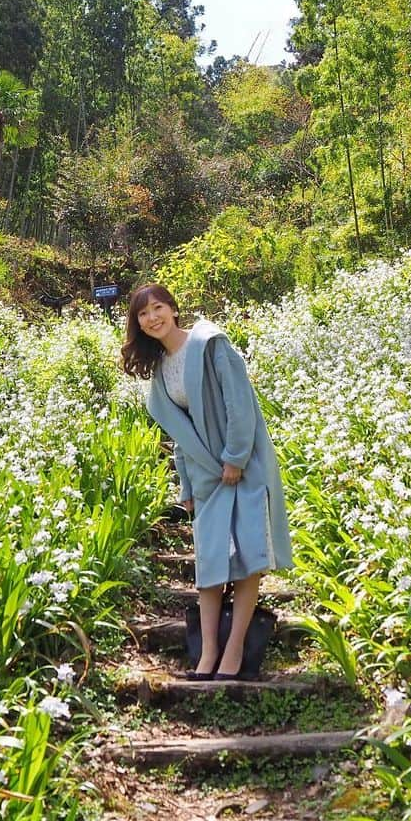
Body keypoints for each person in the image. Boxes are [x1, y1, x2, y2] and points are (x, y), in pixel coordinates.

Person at [121, 283, 293, 681]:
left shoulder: (210, 343)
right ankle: (209, 650)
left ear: (173, 309)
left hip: (243, 463)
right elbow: (181, 434)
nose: (152, 319)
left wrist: (235, 456)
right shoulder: (162, 369)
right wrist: (185, 488)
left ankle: (234, 651)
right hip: (205, 476)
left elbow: (240, 401)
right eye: (143, 314)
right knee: (211, 563)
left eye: (158, 308)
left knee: (249, 558)